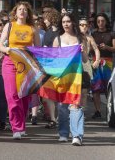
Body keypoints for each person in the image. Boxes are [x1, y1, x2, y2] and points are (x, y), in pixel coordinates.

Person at [0, 1, 41, 140]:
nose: (22, 11)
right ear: (15, 13)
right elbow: (0, 45)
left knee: (24, 97)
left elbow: (38, 50)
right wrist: (7, 49)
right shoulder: (9, 25)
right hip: (10, 62)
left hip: (27, 64)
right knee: (12, 95)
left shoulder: (33, 29)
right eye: (19, 9)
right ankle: (16, 127)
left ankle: (21, 125)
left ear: (28, 13)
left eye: (25, 10)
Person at [53, 13, 88, 146]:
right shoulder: (58, 39)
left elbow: (85, 60)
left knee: (76, 105)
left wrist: (83, 51)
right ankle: (63, 133)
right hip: (62, 76)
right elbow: (54, 59)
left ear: (73, 22)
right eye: (63, 22)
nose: (66, 24)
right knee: (62, 106)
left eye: (68, 21)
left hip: (76, 77)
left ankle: (77, 135)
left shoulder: (80, 38)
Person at [90, 13, 115, 118]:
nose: (101, 23)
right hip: (96, 62)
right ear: (96, 22)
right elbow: (89, 48)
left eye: (103, 21)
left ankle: (110, 110)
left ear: (106, 22)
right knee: (96, 87)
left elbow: (114, 48)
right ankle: (98, 111)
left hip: (108, 63)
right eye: (98, 21)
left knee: (108, 87)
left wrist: (107, 47)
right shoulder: (93, 33)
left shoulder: (111, 33)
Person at [41, 9, 61, 129]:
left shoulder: (60, 33)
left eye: (45, 18)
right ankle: (53, 118)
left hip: (58, 66)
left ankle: (59, 117)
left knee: (58, 93)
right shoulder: (47, 33)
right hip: (47, 66)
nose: (44, 21)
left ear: (51, 18)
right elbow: (43, 48)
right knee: (47, 94)